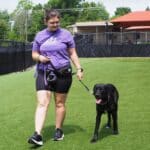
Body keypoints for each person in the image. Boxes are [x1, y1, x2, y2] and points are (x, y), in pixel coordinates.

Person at [28, 9, 83, 146]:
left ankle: (58, 130)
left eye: (57, 22)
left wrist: (79, 68)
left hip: (63, 73)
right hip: (43, 72)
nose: (55, 25)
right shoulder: (40, 36)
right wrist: (40, 57)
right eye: (52, 22)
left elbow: (72, 53)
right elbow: (34, 54)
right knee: (42, 102)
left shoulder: (66, 35)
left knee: (59, 103)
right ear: (45, 21)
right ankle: (37, 134)